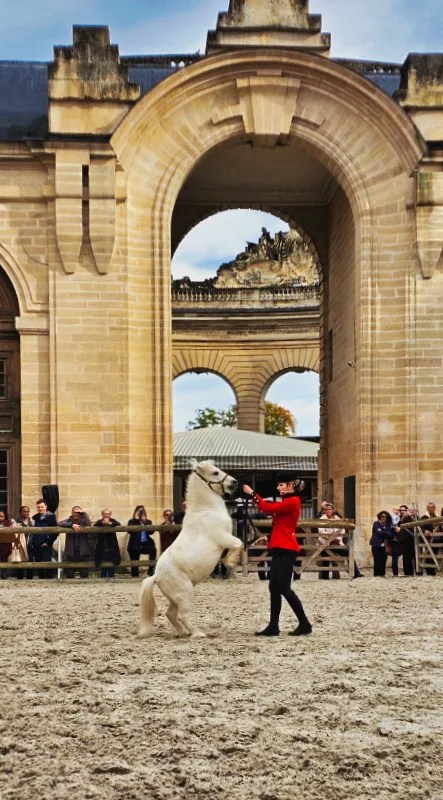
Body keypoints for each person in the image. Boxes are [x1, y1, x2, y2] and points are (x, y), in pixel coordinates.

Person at [242, 472, 312, 636]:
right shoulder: (288, 501)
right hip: (280, 547)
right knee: (274, 587)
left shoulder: (293, 501)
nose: (278, 487)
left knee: (284, 588)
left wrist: (253, 494)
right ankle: (274, 625)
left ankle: (304, 623)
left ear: (290, 486)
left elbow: (268, 508)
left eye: (281, 485)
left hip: (286, 549)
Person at [317, 502, 363, 579]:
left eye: (329, 509)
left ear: (333, 510)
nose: (328, 511)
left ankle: (356, 573)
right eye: (326, 509)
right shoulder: (321, 519)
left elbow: (342, 531)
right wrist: (332, 537)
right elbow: (321, 531)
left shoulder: (337, 518)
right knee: (326, 559)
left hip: (337, 542)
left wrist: (337, 539)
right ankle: (325, 578)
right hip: (325, 543)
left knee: (348, 553)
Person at [59, 505, 93, 578]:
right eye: (75, 512)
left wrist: (83, 513)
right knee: (70, 574)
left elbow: (89, 523)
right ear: (72, 513)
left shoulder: (84, 521)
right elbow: (59, 523)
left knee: (84, 573)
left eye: (78, 512)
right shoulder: (68, 520)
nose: (77, 514)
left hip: (83, 551)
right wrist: (71, 525)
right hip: (71, 551)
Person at [29, 499, 58, 579]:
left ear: (46, 507)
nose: (40, 509)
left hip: (45, 543)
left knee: (47, 563)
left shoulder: (51, 517)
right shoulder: (36, 518)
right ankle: (41, 580)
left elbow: (55, 532)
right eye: (38, 507)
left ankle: (49, 580)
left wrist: (48, 542)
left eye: (42, 507)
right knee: (38, 563)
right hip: (36, 543)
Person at [127, 505, 155, 577]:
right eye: (139, 511)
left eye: (142, 511)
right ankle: (134, 577)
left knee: (153, 550)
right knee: (134, 562)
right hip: (134, 545)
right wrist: (136, 520)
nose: (140, 513)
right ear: (136, 512)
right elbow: (129, 531)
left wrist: (145, 522)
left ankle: (151, 569)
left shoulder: (148, 521)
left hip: (145, 544)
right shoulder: (131, 521)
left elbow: (151, 532)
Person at [94, 508, 121, 578]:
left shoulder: (113, 521)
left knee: (112, 562)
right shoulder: (99, 521)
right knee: (102, 562)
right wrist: (102, 523)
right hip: (102, 546)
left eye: (108, 514)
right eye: (105, 514)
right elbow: (95, 526)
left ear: (110, 515)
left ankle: (111, 577)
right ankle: (103, 577)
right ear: (102, 515)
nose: (106, 515)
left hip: (111, 546)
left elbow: (118, 524)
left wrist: (110, 523)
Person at [370, 511, 392, 577]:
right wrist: (386, 533)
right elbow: (377, 532)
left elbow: (390, 534)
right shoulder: (376, 524)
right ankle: (376, 575)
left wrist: (384, 532)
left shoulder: (388, 525)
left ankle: (382, 574)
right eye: (382, 516)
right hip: (376, 545)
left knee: (383, 561)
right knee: (377, 560)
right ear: (380, 517)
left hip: (385, 545)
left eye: (385, 517)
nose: (384, 518)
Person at [0, 510, 15, 578]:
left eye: (1, 516)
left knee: (4, 559)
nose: (0, 518)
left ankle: (4, 575)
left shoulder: (8, 522)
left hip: (5, 545)